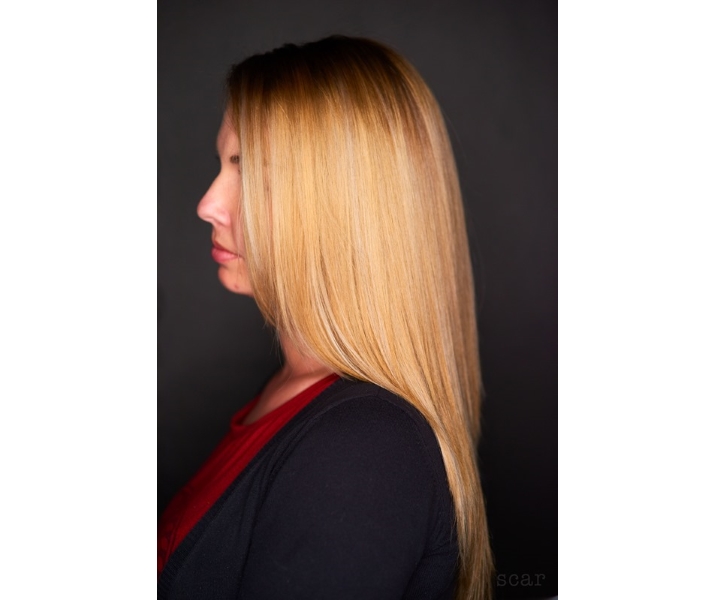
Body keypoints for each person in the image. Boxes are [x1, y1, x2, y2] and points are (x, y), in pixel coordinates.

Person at [158, 35, 493, 600]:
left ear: (344, 206)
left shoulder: (363, 451)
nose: (208, 204)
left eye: (248, 170)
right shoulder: (292, 396)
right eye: (223, 163)